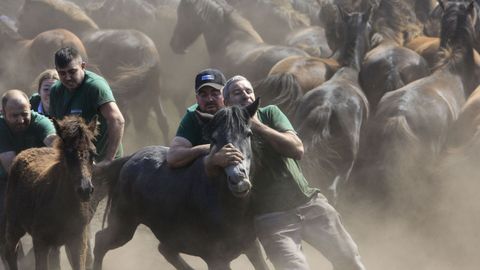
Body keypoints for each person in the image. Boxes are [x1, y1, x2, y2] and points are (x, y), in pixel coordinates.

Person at [206, 75, 366, 270]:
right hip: (272, 219)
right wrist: (213, 159)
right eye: (237, 92)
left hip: (309, 203)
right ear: (227, 101)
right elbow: (210, 168)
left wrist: (258, 126)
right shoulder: (225, 127)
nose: (245, 95)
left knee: (350, 260)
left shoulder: (270, 114)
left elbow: (297, 149)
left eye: (249, 91)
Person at [49, 47, 125, 166]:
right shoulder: (55, 91)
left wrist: (109, 160)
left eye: (72, 71)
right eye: (62, 73)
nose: (67, 77)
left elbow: (117, 120)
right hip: (76, 163)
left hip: (103, 161)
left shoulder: (95, 87)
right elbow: (58, 128)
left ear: (83, 66)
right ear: (56, 71)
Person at [167, 68, 243, 169]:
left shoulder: (238, 112)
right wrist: (209, 148)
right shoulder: (193, 116)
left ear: (225, 94)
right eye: (203, 95)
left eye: (215, 93)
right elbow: (173, 157)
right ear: (197, 98)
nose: (210, 99)